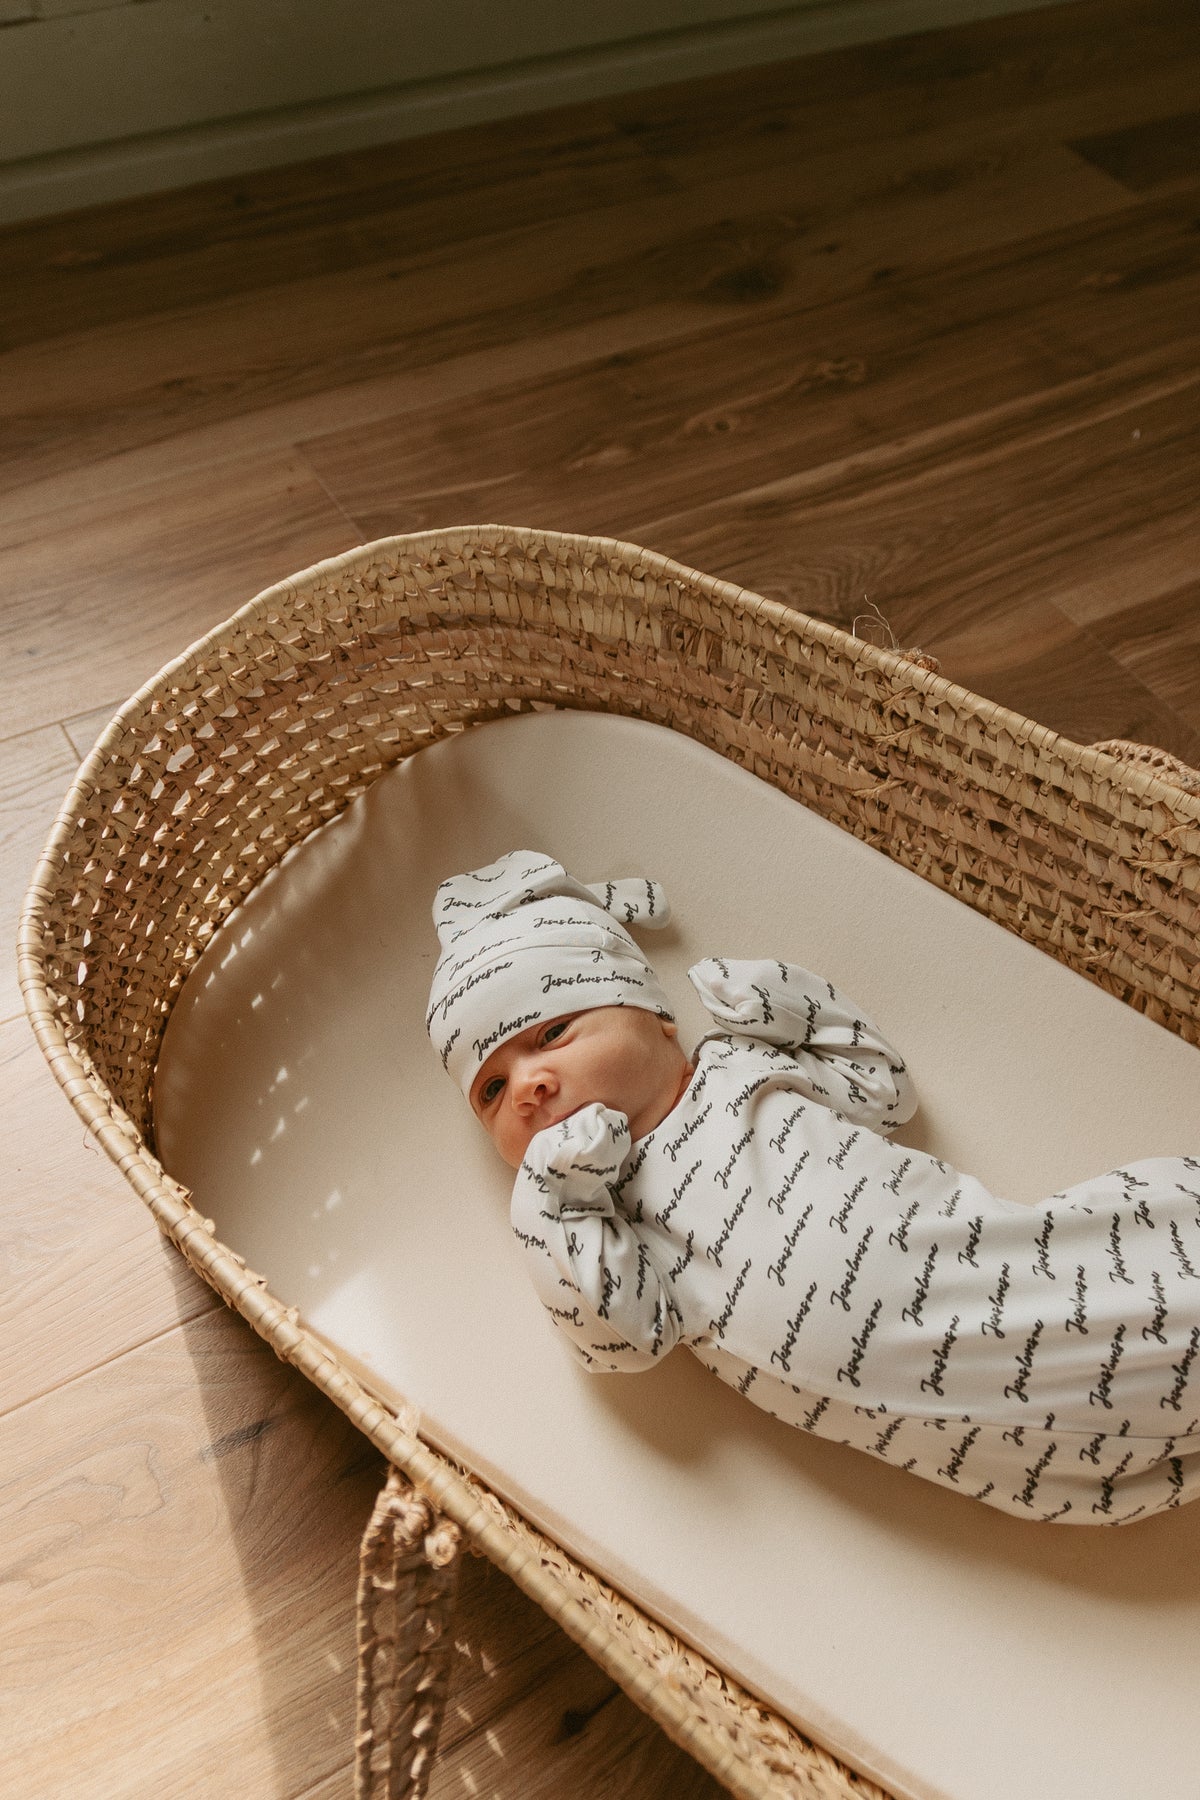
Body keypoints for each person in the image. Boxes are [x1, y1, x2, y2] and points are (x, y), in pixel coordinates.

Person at [426, 849, 1200, 1524]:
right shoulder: (614, 1222)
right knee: (1103, 1443)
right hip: (975, 1428)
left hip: (985, 1266)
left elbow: (885, 1093)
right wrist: (555, 1205)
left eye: (551, 1034)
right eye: (491, 1091)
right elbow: (622, 1342)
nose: (527, 1085)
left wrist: (797, 1006)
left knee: (1145, 1280)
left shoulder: (741, 1067)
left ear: (658, 1020)